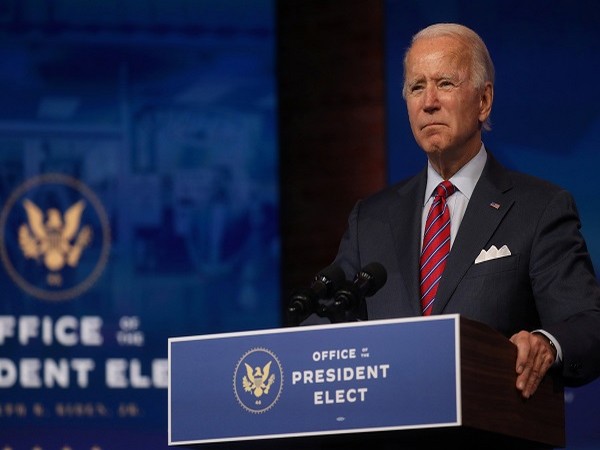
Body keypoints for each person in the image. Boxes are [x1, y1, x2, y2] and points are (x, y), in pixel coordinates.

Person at [311, 23, 600, 401]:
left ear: (484, 101)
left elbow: (588, 324)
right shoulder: (371, 219)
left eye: (445, 83)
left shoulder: (539, 208)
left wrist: (546, 343)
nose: (428, 101)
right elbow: (323, 327)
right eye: (417, 87)